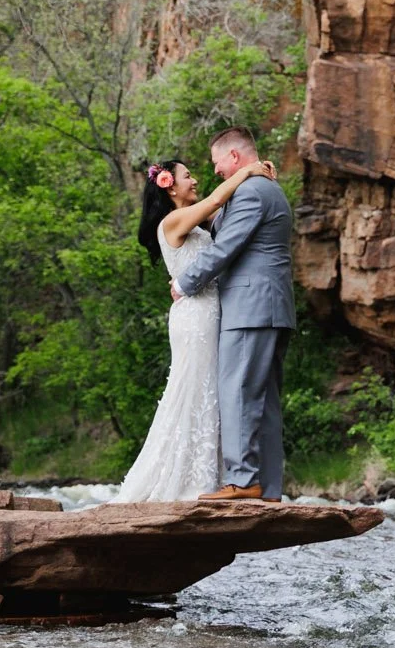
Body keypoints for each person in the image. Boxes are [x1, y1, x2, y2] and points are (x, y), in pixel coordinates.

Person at [114, 152, 279, 503]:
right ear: (169, 186)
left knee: (212, 393)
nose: (195, 180)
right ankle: (183, 479)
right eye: (187, 175)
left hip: (212, 313)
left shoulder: (194, 222)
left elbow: (233, 213)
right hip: (195, 319)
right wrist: (248, 169)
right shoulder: (172, 222)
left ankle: (215, 473)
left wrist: (262, 183)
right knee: (193, 390)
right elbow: (218, 198)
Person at [169, 127, 297, 501]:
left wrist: (184, 282)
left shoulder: (253, 192)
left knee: (238, 390)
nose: (216, 170)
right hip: (270, 307)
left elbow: (226, 247)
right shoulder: (264, 187)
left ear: (235, 158)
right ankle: (269, 487)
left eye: (218, 163)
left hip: (251, 308)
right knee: (265, 400)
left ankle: (243, 481)